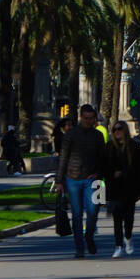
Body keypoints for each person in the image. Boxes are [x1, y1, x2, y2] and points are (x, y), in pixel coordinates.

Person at [56, 104, 106, 259]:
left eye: (91, 119)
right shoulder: (70, 134)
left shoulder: (97, 135)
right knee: (77, 215)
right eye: (85, 118)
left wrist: (98, 173)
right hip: (72, 179)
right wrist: (59, 180)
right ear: (80, 117)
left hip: (91, 179)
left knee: (93, 212)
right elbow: (63, 157)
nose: (88, 121)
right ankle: (79, 248)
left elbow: (103, 158)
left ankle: (89, 236)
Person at [105, 121, 140, 257]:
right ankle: (118, 246)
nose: (117, 132)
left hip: (130, 188)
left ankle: (128, 237)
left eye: (119, 129)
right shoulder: (109, 147)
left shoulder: (134, 147)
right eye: (115, 129)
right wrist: (112, 173)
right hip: (115, 188)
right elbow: (103, 167)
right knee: (117, 219)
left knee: (128, 218)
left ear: (125, 130)